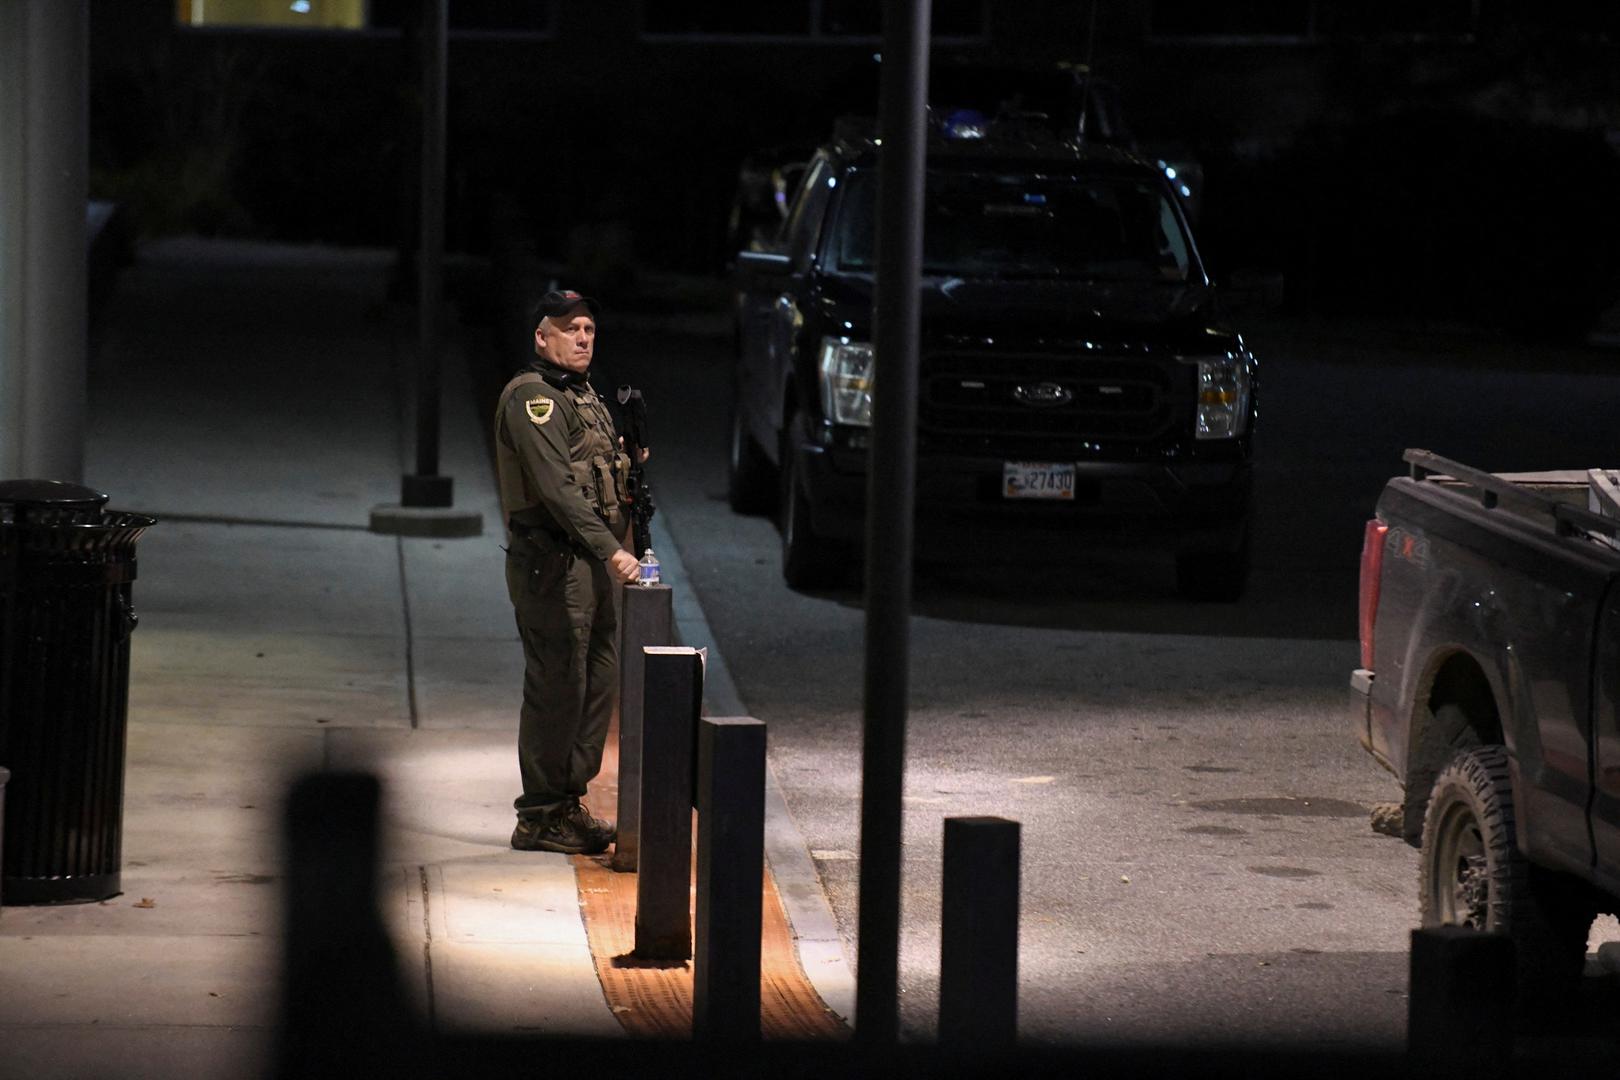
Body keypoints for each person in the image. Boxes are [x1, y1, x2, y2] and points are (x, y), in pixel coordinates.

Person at [493, 289, 641, 854]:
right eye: (570, 328)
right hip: (553, 564)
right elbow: (557, 490)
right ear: (542, 336)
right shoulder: (533, 399)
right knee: (558, 684)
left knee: (595, 680)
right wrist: (612, 549)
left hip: (585, 565)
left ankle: (565, 803)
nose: (582, 338)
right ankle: (538, 815)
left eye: (589, 329)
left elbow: (592, 471)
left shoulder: (579, 395)